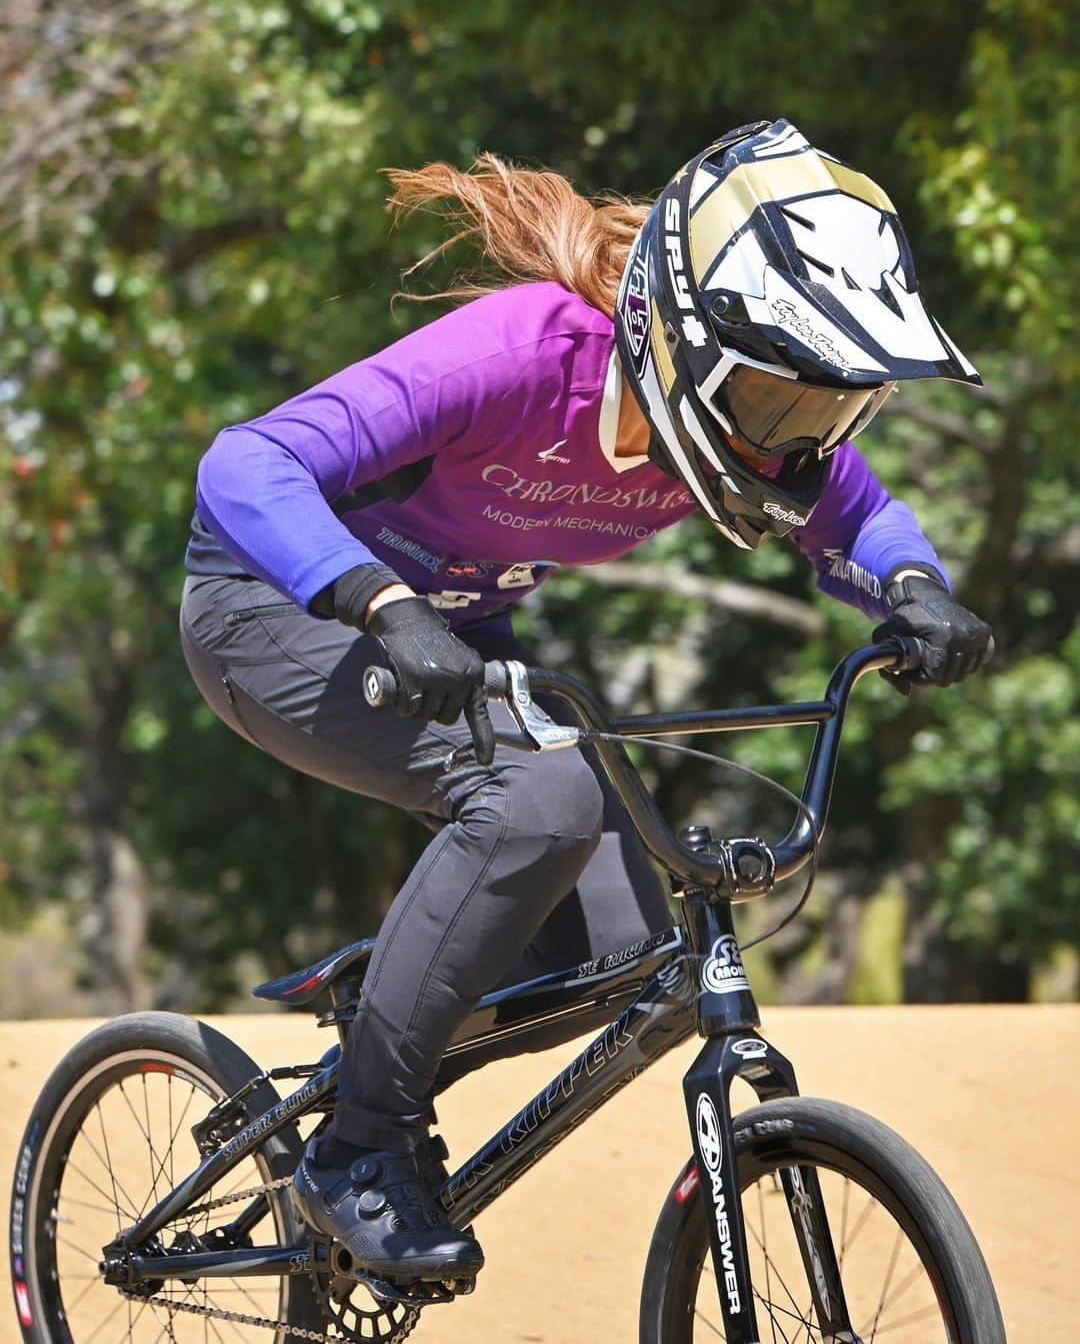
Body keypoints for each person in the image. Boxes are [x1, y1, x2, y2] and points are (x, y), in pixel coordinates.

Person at [179, 119, 993, 1284]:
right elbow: (244, 464)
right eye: (777, 402)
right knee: (543, 795)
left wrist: (915, 591)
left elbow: (860, 521)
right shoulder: (519, 355)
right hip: (272, 613)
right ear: (685, 348)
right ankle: (360, 1152)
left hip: (454, 643)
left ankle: (392, 1008)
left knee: (624, 952)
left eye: (825, 412)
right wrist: (381, 602)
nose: (795, 444)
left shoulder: (736, 437)